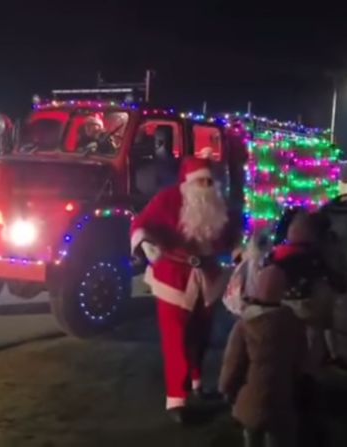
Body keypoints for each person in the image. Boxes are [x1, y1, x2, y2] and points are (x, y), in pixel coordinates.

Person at [130, 156, 240, 423]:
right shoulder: (167, 200)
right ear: (188, 183)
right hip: (173, 278)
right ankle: (176, 400)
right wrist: (145, 244)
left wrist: (240, 251)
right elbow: (140, 225)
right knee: (176, 340)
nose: (205, 187)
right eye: (200, 181)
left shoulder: (218, 204)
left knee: (200, 336)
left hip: (208, 278)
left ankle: (197, 384)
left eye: (209, 182)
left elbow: (231, 236)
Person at [219, 263, 307, 447]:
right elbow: (300, 361)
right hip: (281, 399)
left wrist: (226, 388)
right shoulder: (293, 323)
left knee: (251, 438)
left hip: (250, 399)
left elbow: (233, 363)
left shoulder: (245, 326)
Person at [269, 211, 347, 369]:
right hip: (307, 310)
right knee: (310, 347)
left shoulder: (282, 253)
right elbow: (338, 278)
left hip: (292, 309)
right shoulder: (320, 254)